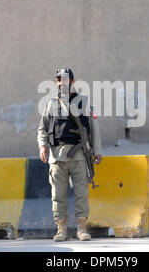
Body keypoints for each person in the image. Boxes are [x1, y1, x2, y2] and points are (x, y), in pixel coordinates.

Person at [37, 68, 102, 242]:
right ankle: (62, 229)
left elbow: (93, 127)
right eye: (58, 80)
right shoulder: (50, 103)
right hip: (57, 156)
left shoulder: (84, 102)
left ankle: (82, 228)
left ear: (72, 82)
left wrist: (98, 151)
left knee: (81, 193)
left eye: (65, 79)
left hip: (79, 154)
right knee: (58, 195)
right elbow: (42, 128)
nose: (61, 82)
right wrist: (43, 145)